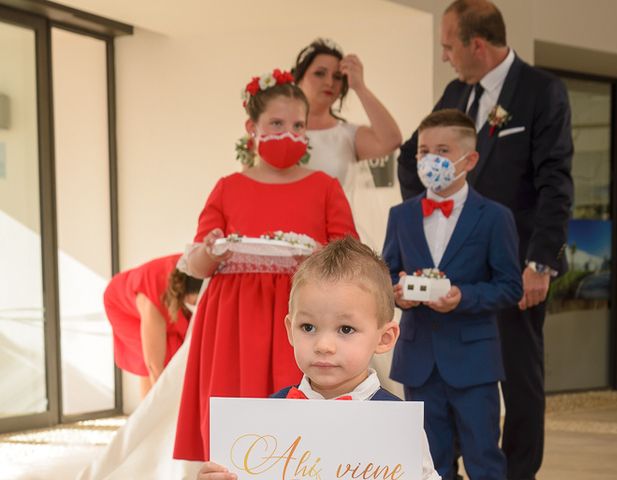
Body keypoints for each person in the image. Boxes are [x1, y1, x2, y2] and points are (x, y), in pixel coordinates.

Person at [396, 1, 573, 478]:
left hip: (514, 266)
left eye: (449, 45)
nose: (445, 57)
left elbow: (555, 180)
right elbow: (411, 157)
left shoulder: (542, 91)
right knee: (448, 374)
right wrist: (425, 228)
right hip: (450, 266)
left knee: (519, 379)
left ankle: (515, 473)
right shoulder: (456, 90)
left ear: (477, 44)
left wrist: (540, 261)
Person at [173, 68, 358, 462]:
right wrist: (214, 251)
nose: (288, 134)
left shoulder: (325, 187)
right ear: (251, 127)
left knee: (299, 412)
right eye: (276, 123)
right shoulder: (228, 187)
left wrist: (315, 256)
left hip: (304, 315)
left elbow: (349, 257)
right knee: (236, 415)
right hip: (233, 319)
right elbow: (199, 263)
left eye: (297, 125)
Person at [196, 236, 441, 480]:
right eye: (308, 327)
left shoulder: (397, 424)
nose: (323, 346)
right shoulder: (267, 416)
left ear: (384, 338)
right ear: (290, 330)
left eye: (346, 329)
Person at [384, 109, 523, 479]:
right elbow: (386, 275)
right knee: (429, 462)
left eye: (442, 150)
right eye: (423, 151)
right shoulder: (401, 215)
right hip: (418, 359)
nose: (429, 160)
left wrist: (464, 297)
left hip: (473, 359)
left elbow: (511, 287)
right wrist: (398, 294)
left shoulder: (494, 217)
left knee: (484, 460)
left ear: (469, 158)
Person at [292, 37, 402, 252]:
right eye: (319, 73)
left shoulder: (347, 135)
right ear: (299, 77)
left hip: (330, 235)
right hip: (284, 229)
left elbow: (391, 139)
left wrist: (360, 86)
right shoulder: (276, 131)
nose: (329, 83)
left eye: (337, 77)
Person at [103, 254, 203, 398]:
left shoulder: (196, 269)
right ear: (185, 296)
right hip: (123, 307)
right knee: (159, 358)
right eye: (195, 302)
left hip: (167, 295)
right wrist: (161, 403)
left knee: (184, 351)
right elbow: (154, 365)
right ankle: (147, 412)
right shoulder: (152, 303)